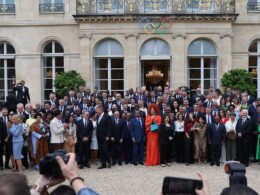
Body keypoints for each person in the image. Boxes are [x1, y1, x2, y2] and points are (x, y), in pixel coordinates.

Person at [95, 105, 111, 169]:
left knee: (105, 150)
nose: (96, 111)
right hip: (99, 136)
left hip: (105, 136)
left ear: (101, 109)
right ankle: (103, 164)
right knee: (101, 150)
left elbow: (110, 127)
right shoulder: (98, 117)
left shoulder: (107, 116)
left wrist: (108, 135)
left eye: (97, 110)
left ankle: (108, 162)